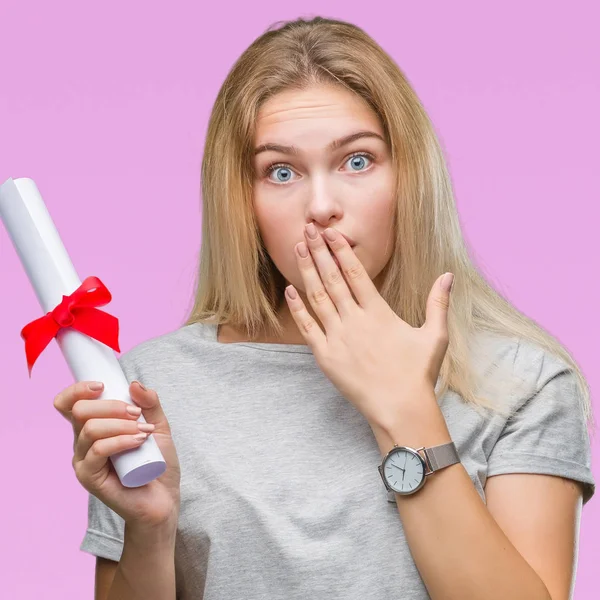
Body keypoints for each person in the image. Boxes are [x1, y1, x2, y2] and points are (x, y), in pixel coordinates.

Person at [54, 15, 595, 600]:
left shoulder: (523, 384)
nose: (321, 205)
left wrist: (406, 410)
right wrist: (150, 530)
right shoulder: (150, 387)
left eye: (356, 161)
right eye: (281, 172)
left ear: (409, 175)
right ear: (243, 201)